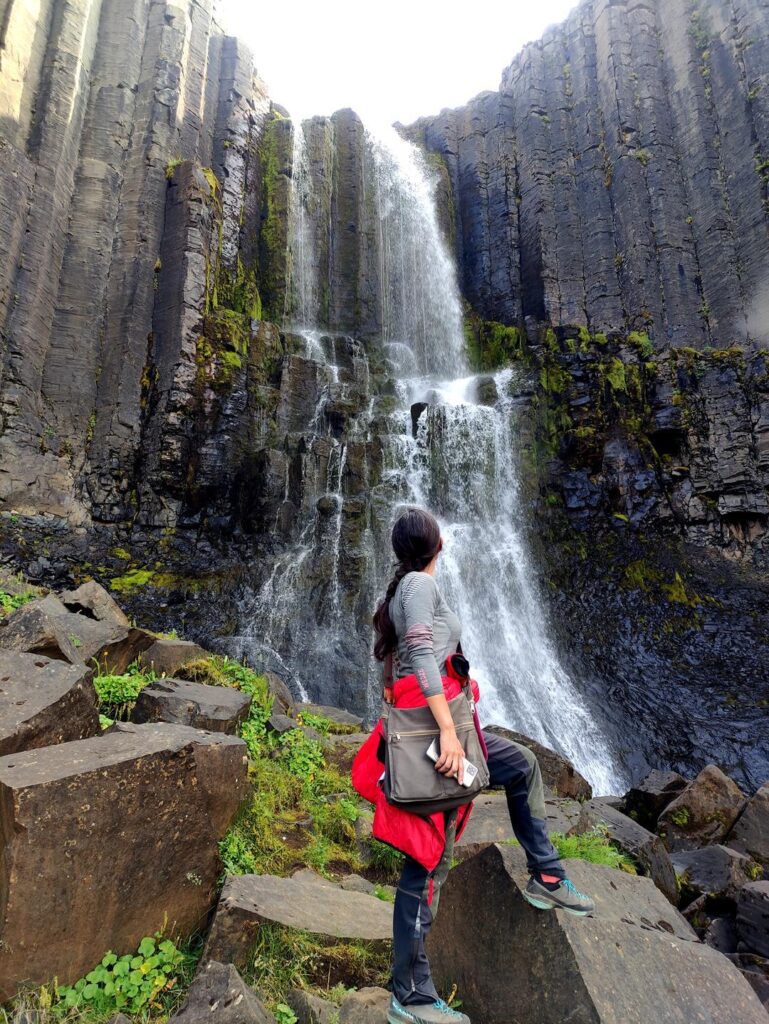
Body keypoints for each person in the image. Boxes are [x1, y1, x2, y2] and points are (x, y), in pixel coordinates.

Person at [365, 506, 595, 1024]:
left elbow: (411, 658)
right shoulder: (418, 590)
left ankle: (548, 876)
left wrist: (457, 704)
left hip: (449, 727)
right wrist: (447, 730)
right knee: (427, 861)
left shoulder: (406, 589)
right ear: (436, 543)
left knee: (522, 767)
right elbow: (421, 655)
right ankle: (411, 995)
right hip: (438, 737)